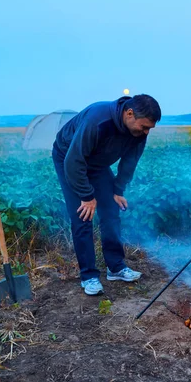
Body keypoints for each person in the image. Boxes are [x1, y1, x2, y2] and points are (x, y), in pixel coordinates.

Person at [52, 94, 161, 296]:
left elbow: (130, 161)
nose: (146, 132)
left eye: (149, 129)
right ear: (129, 114)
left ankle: (116, 267)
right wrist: (87, 196)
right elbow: (73, 161)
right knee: (82, 215)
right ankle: (89, 276)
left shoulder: (139, 132)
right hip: (69, 158)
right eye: (144, 127)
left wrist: (118, 190)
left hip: (97, 163)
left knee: (111, 210)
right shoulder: (98, 120)